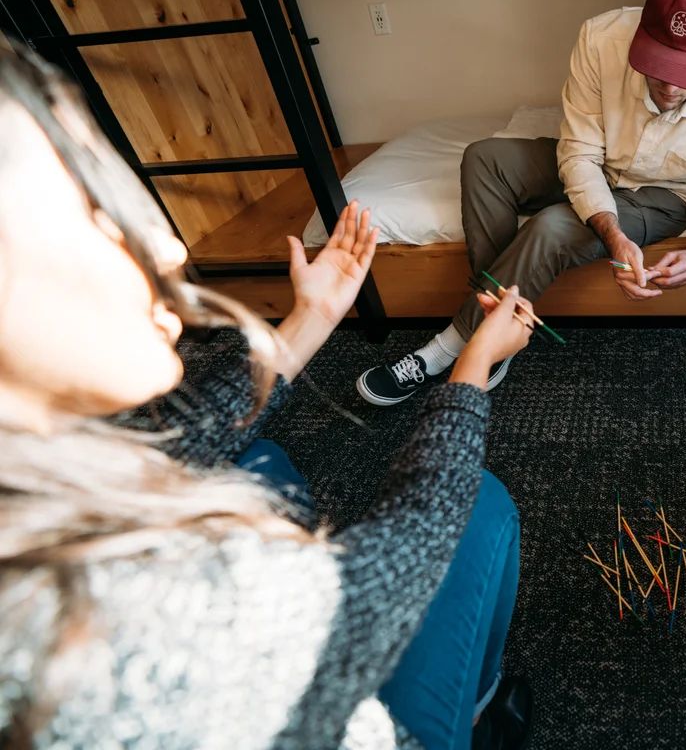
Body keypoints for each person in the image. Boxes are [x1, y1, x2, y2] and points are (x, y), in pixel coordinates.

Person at [0, 46, 534, 750]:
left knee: (251, 454)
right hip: (332, 692)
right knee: (479, 506)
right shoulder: (94, 618)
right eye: (89, 212)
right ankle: (471, 714)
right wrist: (469, 367)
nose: (164, 246)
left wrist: (309, 318)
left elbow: (173, 436)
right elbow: (395, 566)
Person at [357, 0, 686, 405]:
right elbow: (581, 153)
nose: (667, 87)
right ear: (641, 30)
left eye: (682, 73)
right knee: (484, 158)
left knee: (549, 226)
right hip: (601, 162)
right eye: (657, 64)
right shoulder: (600, 39)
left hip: (666, 195)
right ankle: (499, 321)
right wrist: (611, 231)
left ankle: (449, 347)